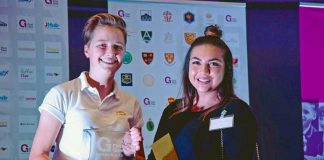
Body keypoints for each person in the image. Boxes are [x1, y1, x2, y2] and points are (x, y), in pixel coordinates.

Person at [30, 13, 145, 160]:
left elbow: (140, 157)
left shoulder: (132, 104)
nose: (110, 53)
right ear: (87, 50)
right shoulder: (62, 94)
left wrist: (130, 155)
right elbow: (38, 155)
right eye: (102, 45)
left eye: (118, 47)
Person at [147, 36, 257, 160]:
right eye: (196, 62)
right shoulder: (172, 110)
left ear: (226, 69)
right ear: (188, 66)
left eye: (214, 63)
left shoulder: (237, 111)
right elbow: (159, 157)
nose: (204, 70)